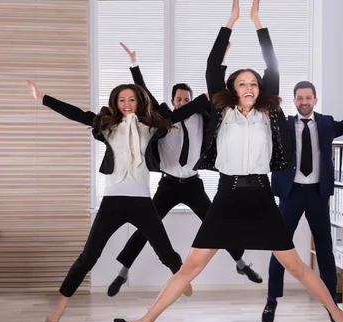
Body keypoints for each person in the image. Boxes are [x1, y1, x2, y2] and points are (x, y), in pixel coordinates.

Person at [113, 0, 343, 322]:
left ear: (260, 90)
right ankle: (147, 320)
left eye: (254, 83)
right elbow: (213, 65)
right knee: (190, 268)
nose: (249, 86)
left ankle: (338, 316)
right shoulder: (220, 110)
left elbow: (273, 65)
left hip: (260, 195)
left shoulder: (268, 114)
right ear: (232, 87)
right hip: (226, 196)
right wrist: (231, 20)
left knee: (297, 268)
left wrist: (258, 22)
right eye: (242, 82)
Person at [26, 80, 193, 322]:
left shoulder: (150, 126)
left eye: (131, 99)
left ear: (139, 101)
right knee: (88, 256)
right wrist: (43, 98)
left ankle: (182, 280)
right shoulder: (108, 127)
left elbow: (180, 113)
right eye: (122, 100)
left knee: (165, 251)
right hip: (113, 201)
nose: (127, 104)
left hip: (142, 202)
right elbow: (77, 114)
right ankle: (61, 302)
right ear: (116, 103)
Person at [105, 42, 262, 297]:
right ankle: (123, 271)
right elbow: (144, 93)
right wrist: (134, 65)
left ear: (191, 100)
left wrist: (221, 60)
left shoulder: (203, 117)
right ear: (172, 101)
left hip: (192, 184)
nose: (182, 102)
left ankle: (241, 263)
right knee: (147, 226)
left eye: (186, 99)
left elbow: (219, 91)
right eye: (179, 99)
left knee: (216, 222)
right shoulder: (163, 118)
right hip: (168, 185)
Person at [262, 73, 343, 322]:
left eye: (308, 97)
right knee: (279, 247)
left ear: (315, 100)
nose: (304, 101)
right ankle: (271, 299)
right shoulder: (283, 125)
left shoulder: (327, 124)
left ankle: (332, 305)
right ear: (294, 101)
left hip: (318, 195)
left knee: (325, 250)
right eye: (299, 98)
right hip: (291, 193)